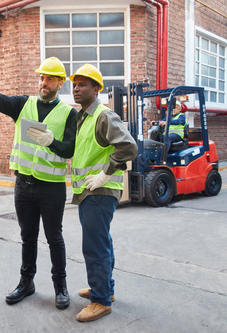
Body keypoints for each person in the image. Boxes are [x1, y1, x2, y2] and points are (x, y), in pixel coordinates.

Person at [0, 57, 77, 310]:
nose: (44, 82)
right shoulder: (23, 105)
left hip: (51, 187)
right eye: (42, 77)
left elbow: (69, 150)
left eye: (50, 78)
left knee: (54, 238)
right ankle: (26, 282)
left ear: (60, 83)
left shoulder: (68, 113)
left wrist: (52, 142)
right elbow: (2, 101)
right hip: (23, 186)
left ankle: (60, 286)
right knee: (28, 236)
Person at [69, 64, 138, 322]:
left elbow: (129, 148)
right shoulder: (84, 117)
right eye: (75, 84)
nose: (76, 88)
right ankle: (104, 289)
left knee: (94, 247)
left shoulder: (103, 115)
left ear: (96, 89)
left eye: (83, 84)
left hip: (100, 191)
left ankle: (100, 300)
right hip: (91, 191)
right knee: (102, 243)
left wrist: (104, 174)